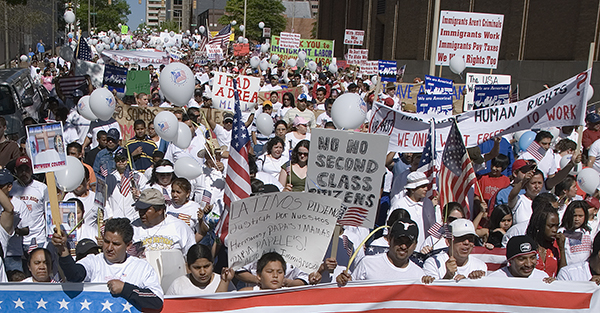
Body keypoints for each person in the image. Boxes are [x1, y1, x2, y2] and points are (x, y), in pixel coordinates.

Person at [52, 218, 164, 311]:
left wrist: (125, 289)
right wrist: (63, 250)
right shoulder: (93, 261)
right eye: (106, 241)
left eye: (116, 244)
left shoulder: (141, 267)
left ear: (128, 245)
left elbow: (156, 300)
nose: (109, 248)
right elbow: (74, 275)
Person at [336, 218, 435, 286]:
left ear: (415, 245)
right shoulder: (368, 263)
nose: (403, 246)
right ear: (389, 240)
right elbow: (350, 293)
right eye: (399, 240)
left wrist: (430, 286)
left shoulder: (419, 275)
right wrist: (343, 281)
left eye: (408, 243)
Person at [131, 188, 195, 257]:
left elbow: (192, 256)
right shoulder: (133, 228)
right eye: (139, 209)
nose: (141, 213)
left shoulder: (180, 227)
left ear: (160, 210)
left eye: (145, 210)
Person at [423, 219, 487, 281]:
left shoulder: (480, 266)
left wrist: (472, 281)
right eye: (461, 238)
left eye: (471, 239)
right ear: (448, 241)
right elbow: (432, 291)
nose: (466, 242)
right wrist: (448, 276)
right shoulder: (433, 263)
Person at [388, 171, 434, 251]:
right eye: (422, 186)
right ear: (413, 189)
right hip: (406, 250)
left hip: (426, 250)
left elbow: (432, 226)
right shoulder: (399, 204)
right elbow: (389, 229)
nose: (426, 189)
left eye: (426, 186)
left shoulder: (428, 203)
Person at [11, 156, 48, 252]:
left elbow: (48, 213)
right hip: (16, 241)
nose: (24, 173)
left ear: (32, 170)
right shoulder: (11, 188)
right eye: (21, 170)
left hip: (38, 239)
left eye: (26, 170)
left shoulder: (42, 188)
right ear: (16, 171)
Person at [166, 244, 233, 295]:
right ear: (188, 267)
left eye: (206, 266)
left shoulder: (224, 281)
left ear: (212, 264)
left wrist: (224, 282)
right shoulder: (178, 285)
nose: (202, 272)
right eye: (197, 268)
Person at [105, 149, 147, 221]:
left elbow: (147, 193)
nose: (120, 162)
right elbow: (104, 199)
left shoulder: (138, 176)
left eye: (123, 159)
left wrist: (139, 194)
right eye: (118, 160)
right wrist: (110, 215)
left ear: (128, 160)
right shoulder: (110, 178)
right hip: (116, 219)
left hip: (134, 218)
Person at [487, 235, 552, 281]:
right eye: (522, 259)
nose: (528, 264)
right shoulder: (495, 280)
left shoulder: (543, 278)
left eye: (532, 258)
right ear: (510, 260)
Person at [526, 204, 566, 277]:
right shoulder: (527, 246)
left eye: (557, 226)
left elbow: (563, 274)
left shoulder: (556, 246)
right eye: (551, 226)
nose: (555, 230)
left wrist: (562, 249)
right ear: (539, 225)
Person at [64, 168, 98, 241]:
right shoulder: (68, 197)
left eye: (81, 180)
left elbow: (106, 218)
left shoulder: (96, 198)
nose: (78, 184)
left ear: (87, 181)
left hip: (91, 238)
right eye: (75, 180)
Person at [167, 178, 206, 242]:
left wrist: (191, 244)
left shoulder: (195, 207)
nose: (174, 195)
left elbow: (202, 232)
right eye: (173, 191)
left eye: (178, 192)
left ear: (187, 193)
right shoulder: (167, 205)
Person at [559, 200, 592, 265]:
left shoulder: (588, 232)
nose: (577, 219)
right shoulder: (562, 232)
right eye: (574, 215)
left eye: (580, 216)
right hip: (569, 268)